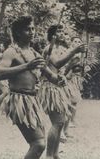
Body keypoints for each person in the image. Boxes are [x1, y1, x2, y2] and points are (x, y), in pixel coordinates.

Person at [0, 16, 64, 159]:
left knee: (38, 143)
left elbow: (51, 77)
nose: (32, 31)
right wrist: (26, 66)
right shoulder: (11, 51)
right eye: (28, 29)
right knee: (38, 143)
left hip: (32, 101)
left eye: (33, 28)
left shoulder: (34, 53)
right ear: (19, 32)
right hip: (18, 101)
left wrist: (60, 79)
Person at [40, 25, 85, 159]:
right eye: (58, 31)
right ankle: (49, 155)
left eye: (62, 31)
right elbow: (57, 64)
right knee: (58, 122)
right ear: (52, 35)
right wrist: (74, 51)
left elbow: (62, 71)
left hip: (60, 88)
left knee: (61, 121)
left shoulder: (62, 49)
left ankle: (55, 154)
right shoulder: (49, 48)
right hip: (50, 87)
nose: (61, 34)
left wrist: (72, 64)